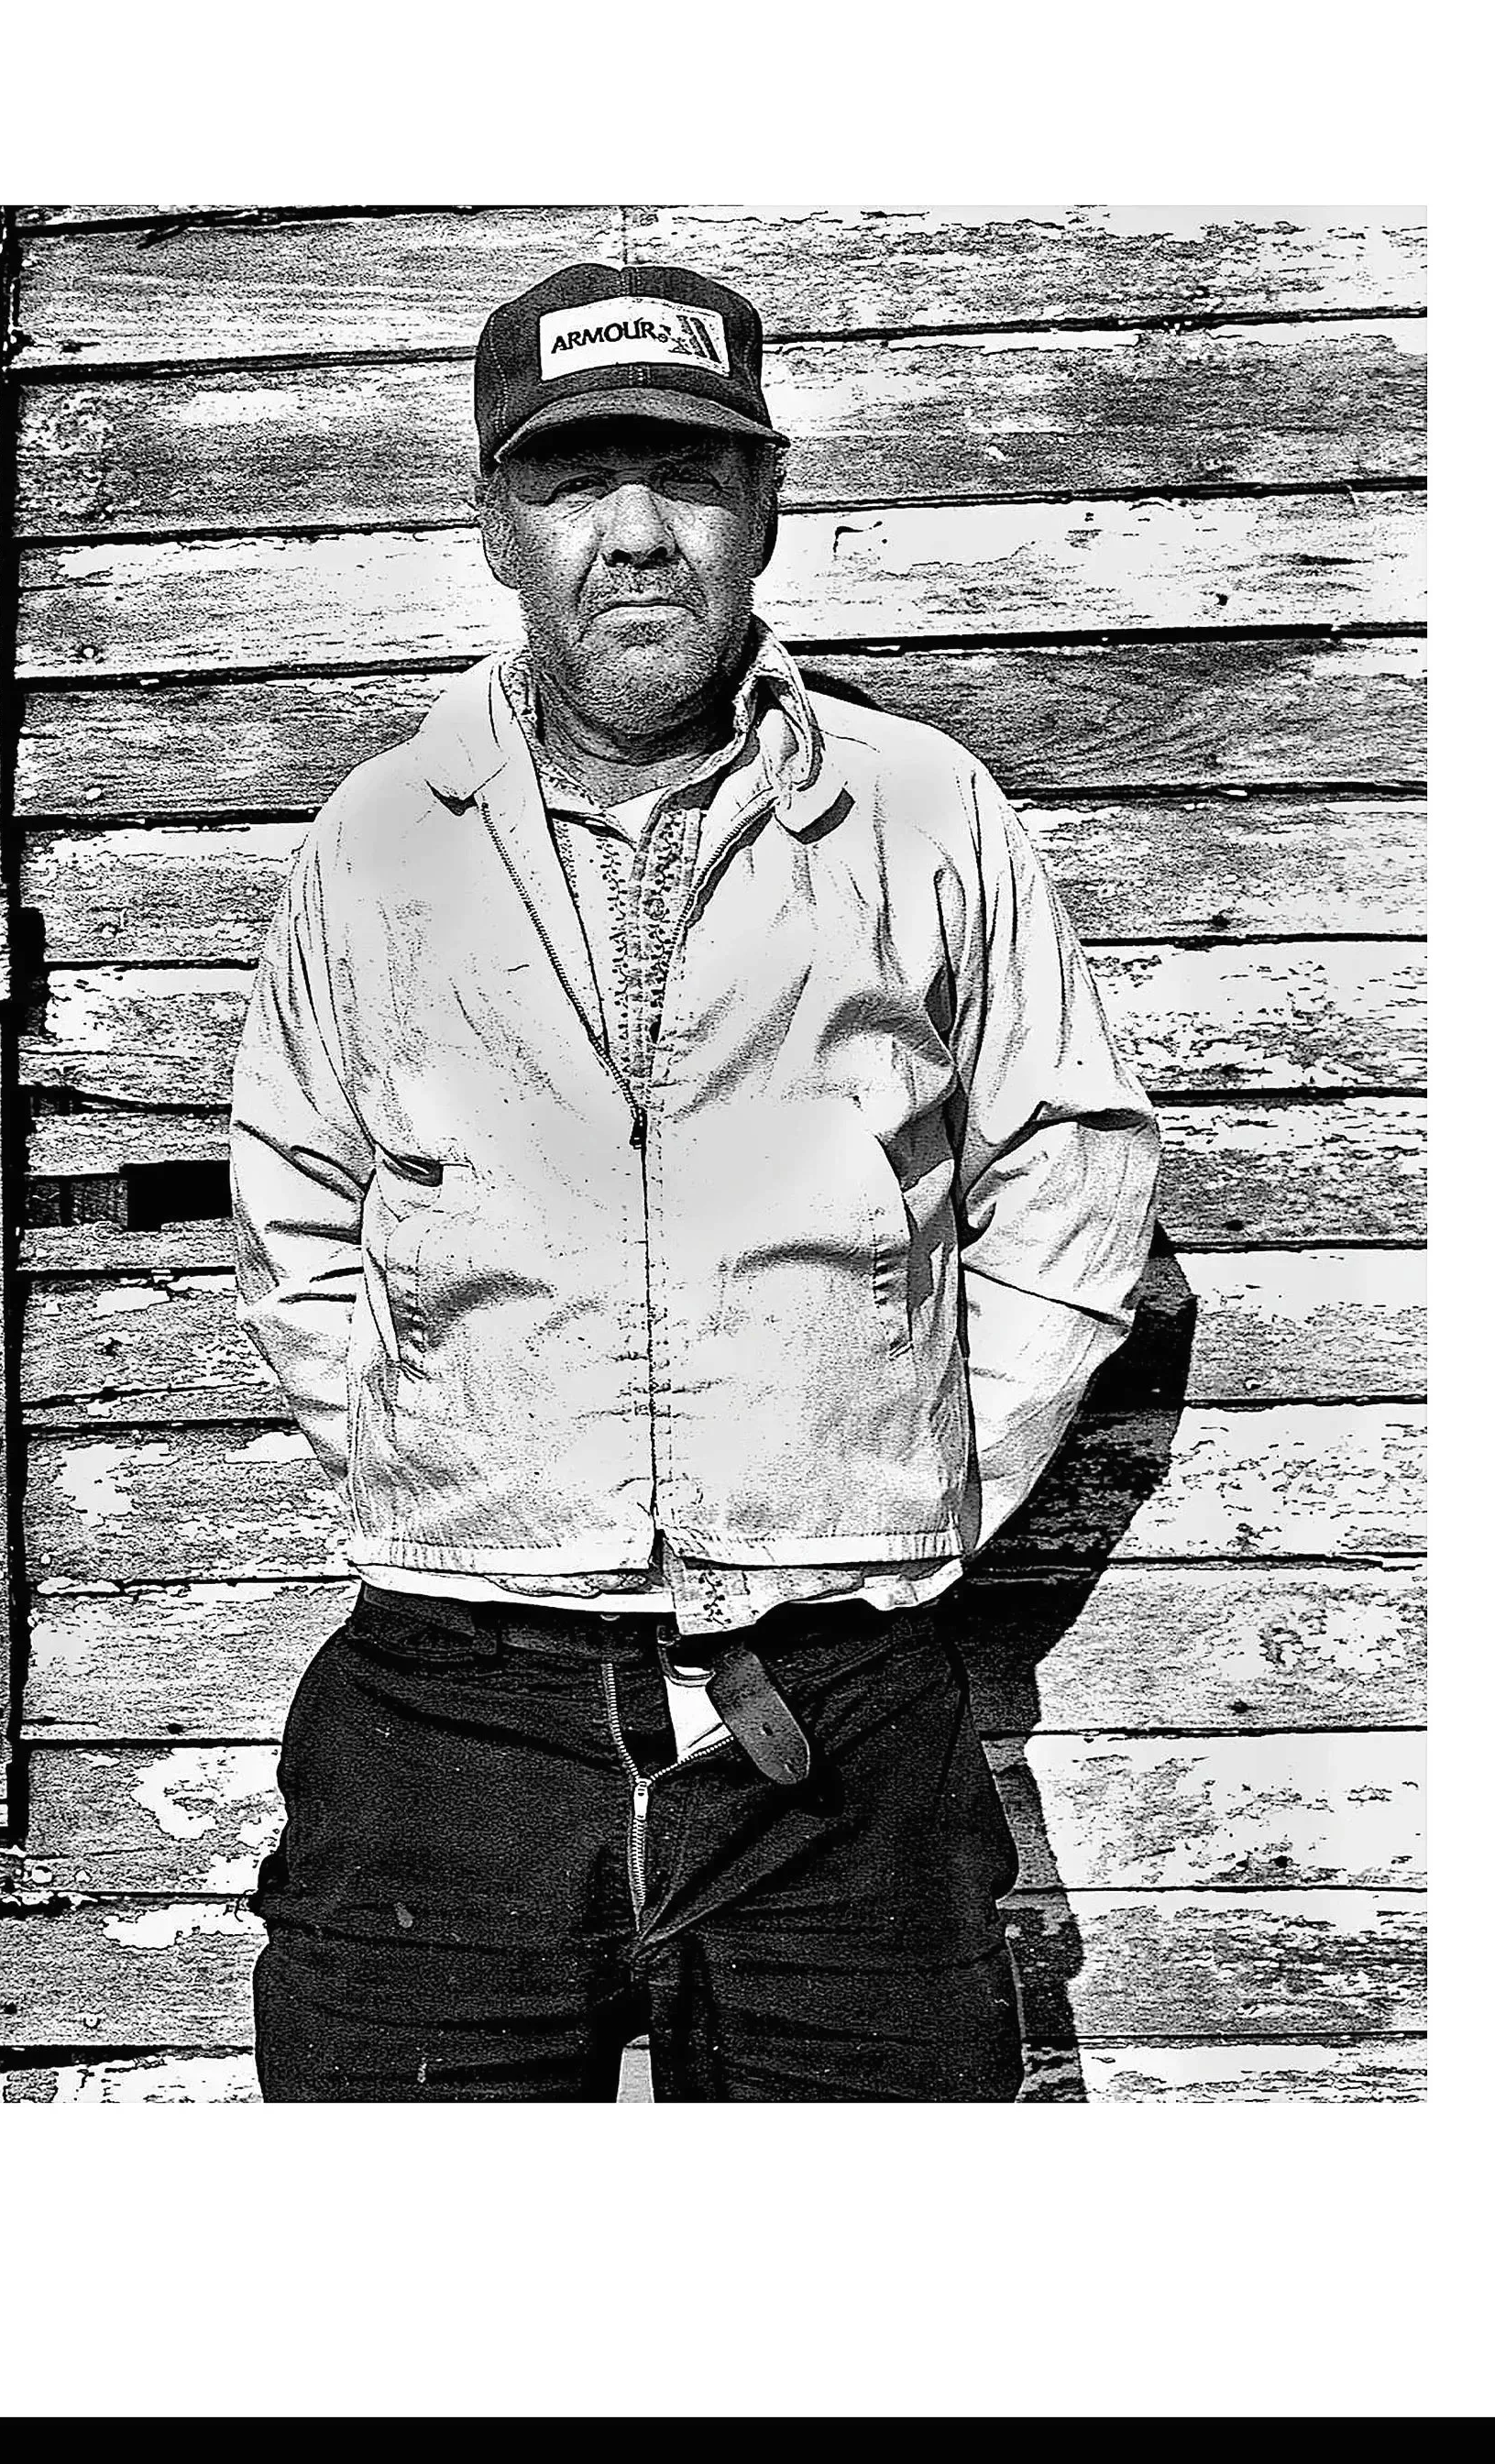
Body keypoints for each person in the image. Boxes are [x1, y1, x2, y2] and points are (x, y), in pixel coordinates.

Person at [229, 258, 1161, 2100]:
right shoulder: (375, 842)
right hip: (451, 1704)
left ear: (768, 506)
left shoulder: (918, 813)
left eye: (691, 476)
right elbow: (295, 1192)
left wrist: (924, 1468)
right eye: (576, 483)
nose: (637, 535)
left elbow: (1068, 1155)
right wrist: (456, 1456)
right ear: (495, 525)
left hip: (836, 1707)